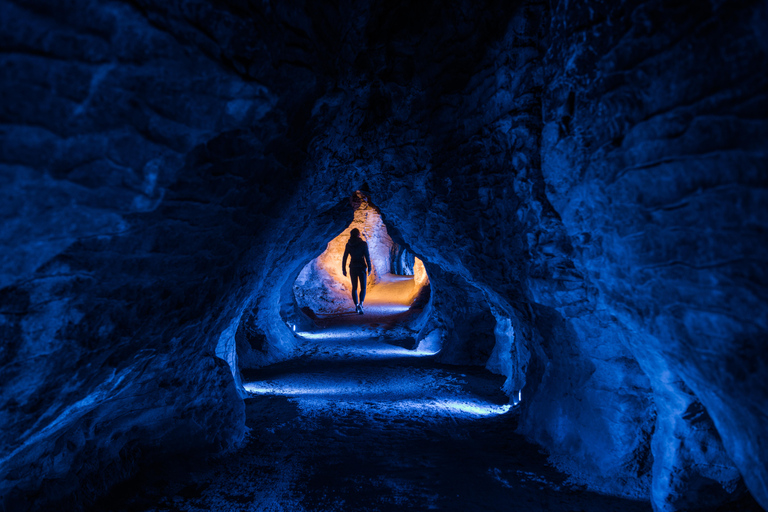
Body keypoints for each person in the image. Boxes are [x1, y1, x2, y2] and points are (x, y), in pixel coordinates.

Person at [341, 228, 372, 314]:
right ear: (358, 234)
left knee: (354, 287)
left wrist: (343, 269)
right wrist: (369, 268)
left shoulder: (349, 244)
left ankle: (356, 305)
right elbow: (367, 257)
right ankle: (361, 304)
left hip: (353, 267)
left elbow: (345, 257)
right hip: (361, 267)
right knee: (363, 287)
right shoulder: (363, 244)